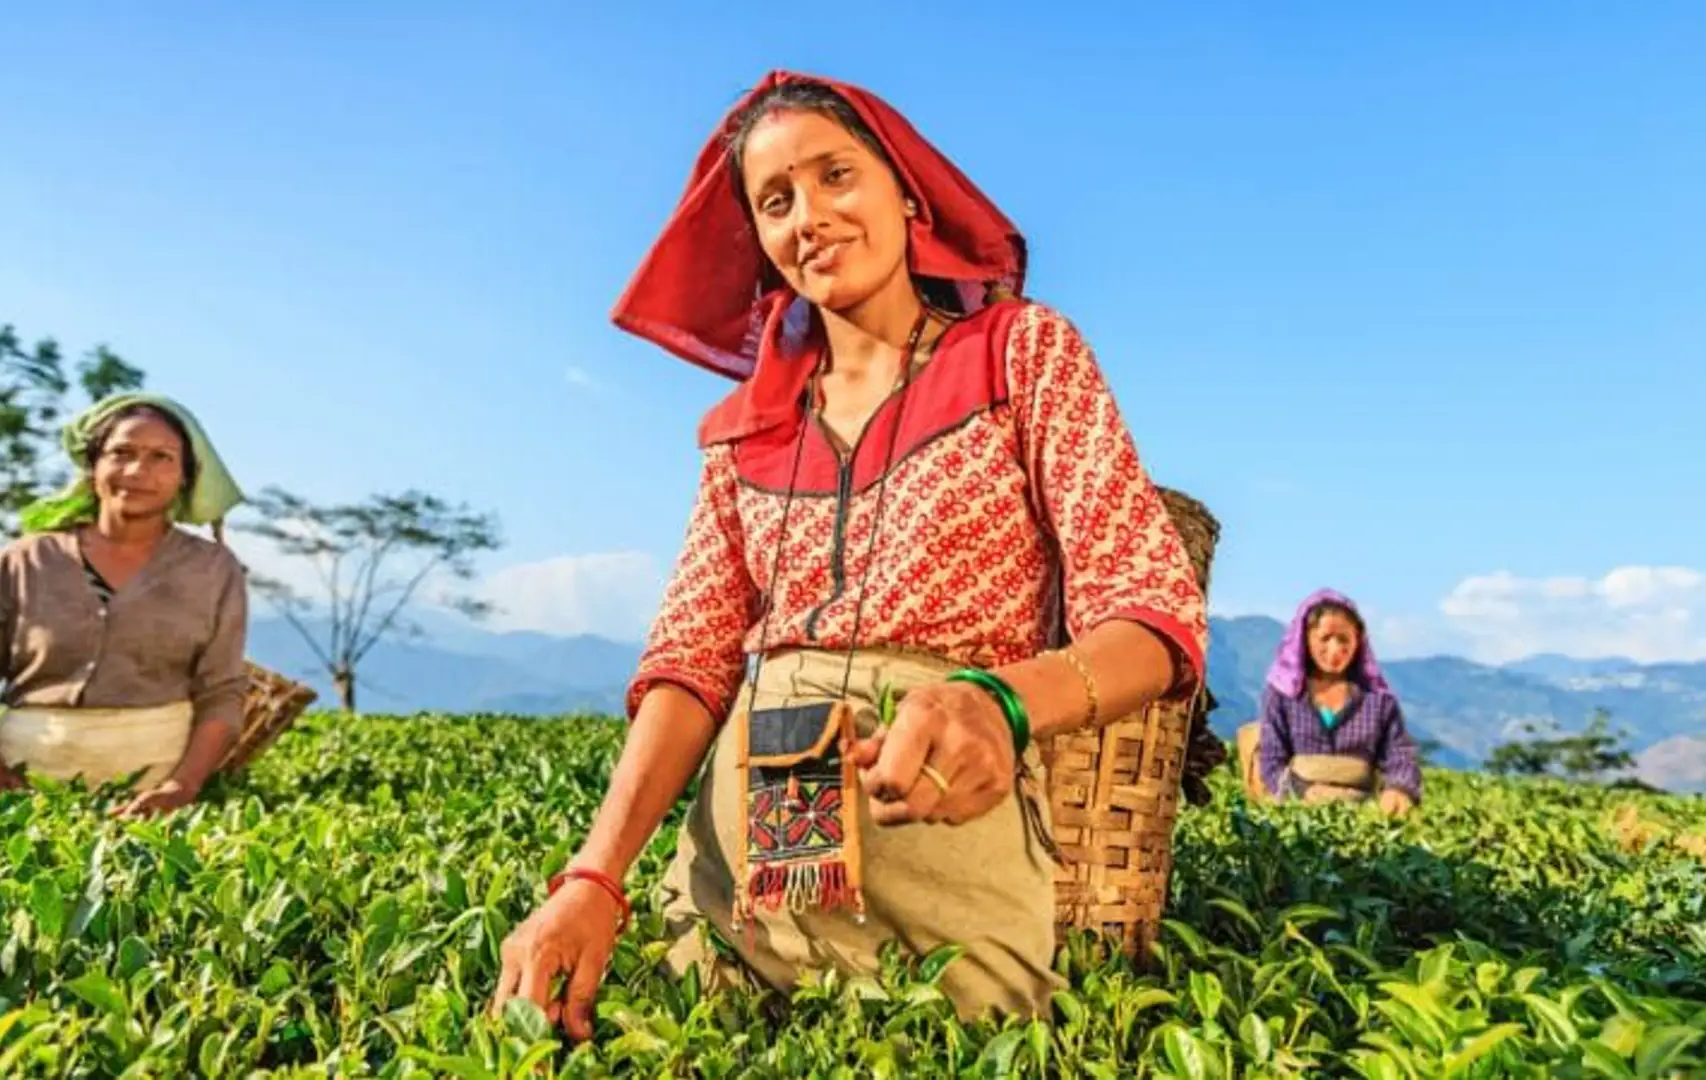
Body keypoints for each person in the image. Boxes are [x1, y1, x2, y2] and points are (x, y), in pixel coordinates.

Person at [491, 70, 1209, 1036]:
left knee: (943, 1040)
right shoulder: (740, 434)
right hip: (741, 872)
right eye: (776, 200)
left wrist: (999, 701)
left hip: (943, 852)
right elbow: (692, 666)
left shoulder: (1021, 357)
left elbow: (1154, 616)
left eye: (837, 176)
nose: (810, 217)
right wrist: (593, 880)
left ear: (906, 196)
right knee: (714, 1039)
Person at [0, 393, 250, 819]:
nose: (137, 471)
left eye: (161, 457)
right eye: (121, 452)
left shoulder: (214, 568)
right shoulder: (25, 561)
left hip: (155, 792)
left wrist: (181, 787)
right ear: (93, 467)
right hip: (16, 790)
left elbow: (222, 695)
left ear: (186, 476)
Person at [1255, 588, 1421, 814]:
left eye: (1344, 639)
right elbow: (1271, 761)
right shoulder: (1282, 696)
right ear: (1305, 641)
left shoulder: (1378, 702)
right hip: (1296, 809)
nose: (1335, 650)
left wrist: (1399, 789)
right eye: (1325, 638)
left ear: (1358, 642)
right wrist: (1300, 793)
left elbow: (1399, 754)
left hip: (1362, 810)